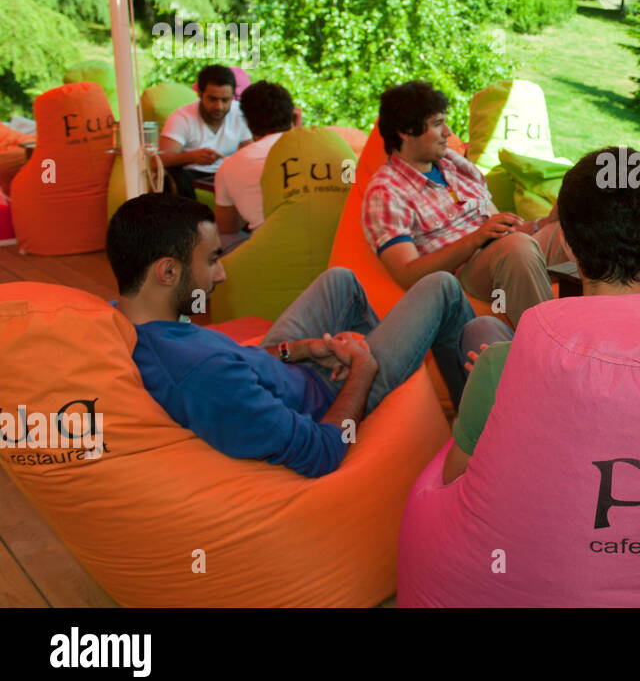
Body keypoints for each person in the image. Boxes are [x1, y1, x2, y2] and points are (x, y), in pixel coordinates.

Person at [107, 193, 509, 478]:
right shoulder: (202, 373)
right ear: (167, 272)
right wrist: (362, 370)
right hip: (329, 394)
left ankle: (397, 370)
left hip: (280, 365)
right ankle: (473, 421)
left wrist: (298, 350)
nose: (222, 274)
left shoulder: (122, 319)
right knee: (441, 287)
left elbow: (241, 365)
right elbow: (321, 451)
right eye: (212, 260)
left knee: (340, 282)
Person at [441, 145, 640, 484]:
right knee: (485, 328)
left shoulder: (502, 367)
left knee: (483, 334)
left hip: (550, 524)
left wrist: (491, 393)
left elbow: (454, 486)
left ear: (566, 245)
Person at [362, 81, 569, 329]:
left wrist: (544, 223)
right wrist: (476, 239)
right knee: (515, 247)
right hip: (466, 274)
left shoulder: (452, 163)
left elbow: (500, 228)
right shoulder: (386, 193)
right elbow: (408, 274)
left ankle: (606, 338)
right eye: (438, 124)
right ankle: (550, 345)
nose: (448, 132)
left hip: (503, 250)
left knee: (576, 231)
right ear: (406, 131)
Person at [213, 80, 302, 245]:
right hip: (331, 250)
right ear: (293, 114)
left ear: (247, 120)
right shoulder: (330, 148)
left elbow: (228, 228)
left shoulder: (230, 165)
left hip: (269, 253)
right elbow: (350, 180)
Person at [158, 64, 253, 199]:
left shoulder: (239, 112)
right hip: (190, 176)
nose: (219, 107)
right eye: (212, 99)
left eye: (225, 100)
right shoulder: (182, 118)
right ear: (200, 94)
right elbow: (160, 160)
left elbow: (250, 150)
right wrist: (192, 157)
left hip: (226, 173)